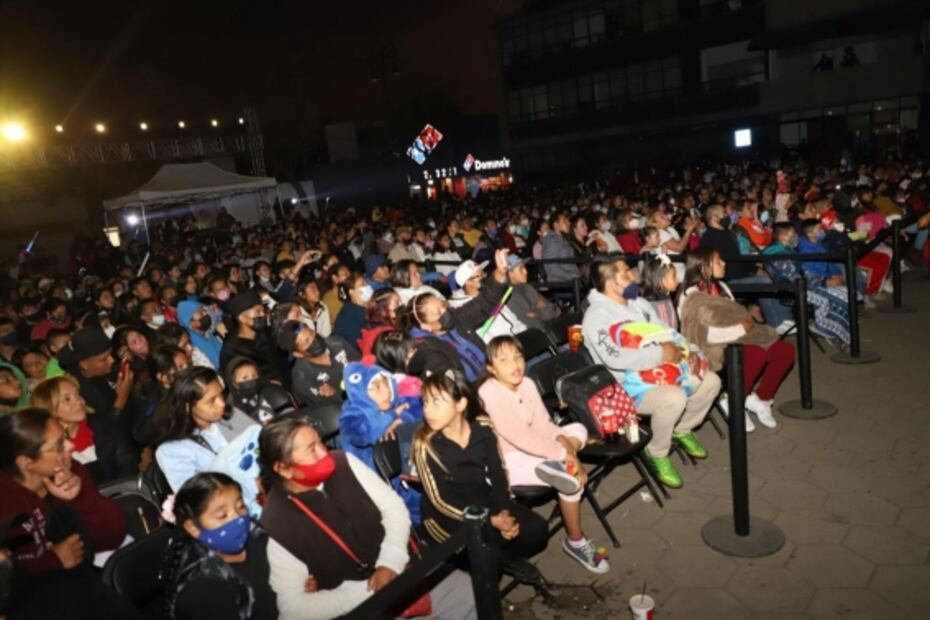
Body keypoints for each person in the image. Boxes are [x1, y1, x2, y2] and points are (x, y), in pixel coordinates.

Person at [258, 413, 477, 620]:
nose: (324, 453)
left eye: (320, 442)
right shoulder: (277, 524)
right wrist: (370, 591)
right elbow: (293, 607)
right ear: (283, 468)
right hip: (363, 610)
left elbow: (394, 508)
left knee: (473, 597)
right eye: (311, 450)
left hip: (409, 572)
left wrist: (390, 563)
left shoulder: (343, 463)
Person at [582, 254, 720, 488]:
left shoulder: (638, 304)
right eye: (626, 273)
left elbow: (667, 332)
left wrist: (689, 350)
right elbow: (616, 358)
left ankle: (682, 429)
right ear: (610, 283)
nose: (633, 275)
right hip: (624, 385)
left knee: (711, 382)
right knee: (673, 398)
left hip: (659, 372)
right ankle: (656, 452)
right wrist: (660, 355)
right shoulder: (596, 318)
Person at [479, 336, 608, 574]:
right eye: (504, 360)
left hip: (536, 447)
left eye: (518, 356)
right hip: (506, 460)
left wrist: (564, 446)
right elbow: (521, 437)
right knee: (572, 481)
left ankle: (554, 465)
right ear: (491, 369)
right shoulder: (489, 394)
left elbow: (542, 424)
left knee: (578, 429)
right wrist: (566, 454)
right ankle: (575, 541)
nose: (515, 364)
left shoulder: (527, 383)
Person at [0, 408, 140, 618]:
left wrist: (80, 497)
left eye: (65, 436)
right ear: (26, 463)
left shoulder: (69, 470)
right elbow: (8, 585)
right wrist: (52, 560)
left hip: (82, 586)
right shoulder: (5, 501)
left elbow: (113, 534)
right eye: (58, 445)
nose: (70, 446)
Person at [413, 369, 548, 567]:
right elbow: (441, 501)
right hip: (448, 518)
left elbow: (498, 473)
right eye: (425, 402)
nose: (428, 410)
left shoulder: (482, 427)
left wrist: (504, 512)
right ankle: (501, 565)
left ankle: (507, 560)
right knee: (488, 555)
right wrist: (492, 521)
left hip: (482, 500)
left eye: (436, 402)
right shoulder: (426, 445)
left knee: (537, 530)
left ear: (461, 404)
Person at [678, 249, 794, 431]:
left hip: (739, 337)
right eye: (718, 261)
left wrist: (744, 328)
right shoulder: (689, 296)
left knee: (785, 351)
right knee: (755, 354)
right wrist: (740, 330)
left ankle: (761, 400)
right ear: (703, 268)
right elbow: (701, 335)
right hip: (710, 346)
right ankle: (735, 400)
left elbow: (736, 315)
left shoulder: (721, 287)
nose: (724, 263)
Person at [163, 472, 277, 620]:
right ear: (193, 528)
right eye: (222, 515)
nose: (238, 518)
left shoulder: (255, 534)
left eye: (240, 506)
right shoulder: (201, 590)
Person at [403, 249, 510, 381]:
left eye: (443, 306)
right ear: (426, 326)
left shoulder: (457, 318)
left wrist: (499, 273)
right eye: (438, 313)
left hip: (493, 372)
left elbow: (485, 302)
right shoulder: (427, 347)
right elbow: (436, 368)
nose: (445, 312)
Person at [338, 361, 422, 521]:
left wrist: (401, 419)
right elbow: (361, 434)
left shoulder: (391, 401)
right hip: (377, 483)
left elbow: (418, 406)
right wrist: (390, 417)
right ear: (361, 392)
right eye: (376, 387)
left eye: (386, 383)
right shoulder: (352, 415)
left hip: (405, 473)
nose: (386, 391)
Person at [153, 367, 256, 494]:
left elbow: (262, 440)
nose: (222, 403)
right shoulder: (171, 451)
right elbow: (197, 498)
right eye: (211, 401)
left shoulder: (230, 415)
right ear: (187, 407)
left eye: (221, 395)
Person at [56, 327, 139, 482]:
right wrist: (121, 398)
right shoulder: (77, 393)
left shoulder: (106, 369)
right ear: (84, 364)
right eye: (103, 358)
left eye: (110, 354)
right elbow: (107, 433)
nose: (111, 360)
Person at [763, 223, 851, 350]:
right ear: (782, 237)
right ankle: (829, 331)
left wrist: (826, 279)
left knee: (842, 292)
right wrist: (824, 281)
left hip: (803, 285)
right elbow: (795, 279)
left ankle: (836, 332)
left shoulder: (787, 250)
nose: (797, 237)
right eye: (793, 234)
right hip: (792, 290)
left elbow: (803, 273)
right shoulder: (777, 254)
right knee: (836, 296)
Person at [220, 290, 289, 388]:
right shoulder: (231, 349)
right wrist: (265, 383)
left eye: (263, 311)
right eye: (257, 311)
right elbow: (234, 383)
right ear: (242, 318)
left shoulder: (267, 333)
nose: (263, 315)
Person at [449, 259, 527, 342]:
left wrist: (523, 329)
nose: (483, 277)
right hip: (505, 344)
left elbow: (509, 314)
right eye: (479, 275)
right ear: (468, 282)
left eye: (482, 273)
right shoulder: (467, 309)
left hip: (521, 334)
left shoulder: (489, 292)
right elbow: (484, 336)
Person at [276, 321, 350, 407]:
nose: (313, 339)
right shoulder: (302, 378)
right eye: (307, 342)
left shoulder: (337, 343)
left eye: (311, 333)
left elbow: (361, 365)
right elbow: (328, 408)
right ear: (298, 354)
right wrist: (335, 393)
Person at [504, 254, 559, 331]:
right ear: (510, 274)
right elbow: (526, 324)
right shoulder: (509, 295)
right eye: (521, 269)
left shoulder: (527, 287)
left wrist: (538, 313)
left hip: (546, 329)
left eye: (524, 267)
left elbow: (553, 310)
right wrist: (542, 311)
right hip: (537, 334)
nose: (526, 272)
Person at [177, 299, 223, 369]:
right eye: (200, 312)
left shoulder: (208, 333)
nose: (205, 314)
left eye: (204, 311)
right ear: (189, 321)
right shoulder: (192, 348)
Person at [357, 288, 401, 357]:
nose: (401, 306)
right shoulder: (382, 337)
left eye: (400, 302)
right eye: (396, 304)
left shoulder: (395, 324)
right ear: (383, 311)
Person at [640, 254, 680, 330]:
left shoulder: (667, 298)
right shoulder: (650, 306)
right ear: (662, 280)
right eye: (674, 276)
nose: (678, 279)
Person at [541, 212, 581, 284]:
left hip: (571, 280)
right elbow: (552, 269)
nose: (569, 223)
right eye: (565, 221)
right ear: (556, 225)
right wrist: (575, 276)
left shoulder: (563, 238)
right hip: (562, 284)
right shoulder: (551, 241)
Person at [332, 273, 371, 347]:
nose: (368, 287)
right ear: (351, 292)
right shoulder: (349, 316)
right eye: (362, 284)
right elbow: (358, 345)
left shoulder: (366, 307)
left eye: (366, 283)